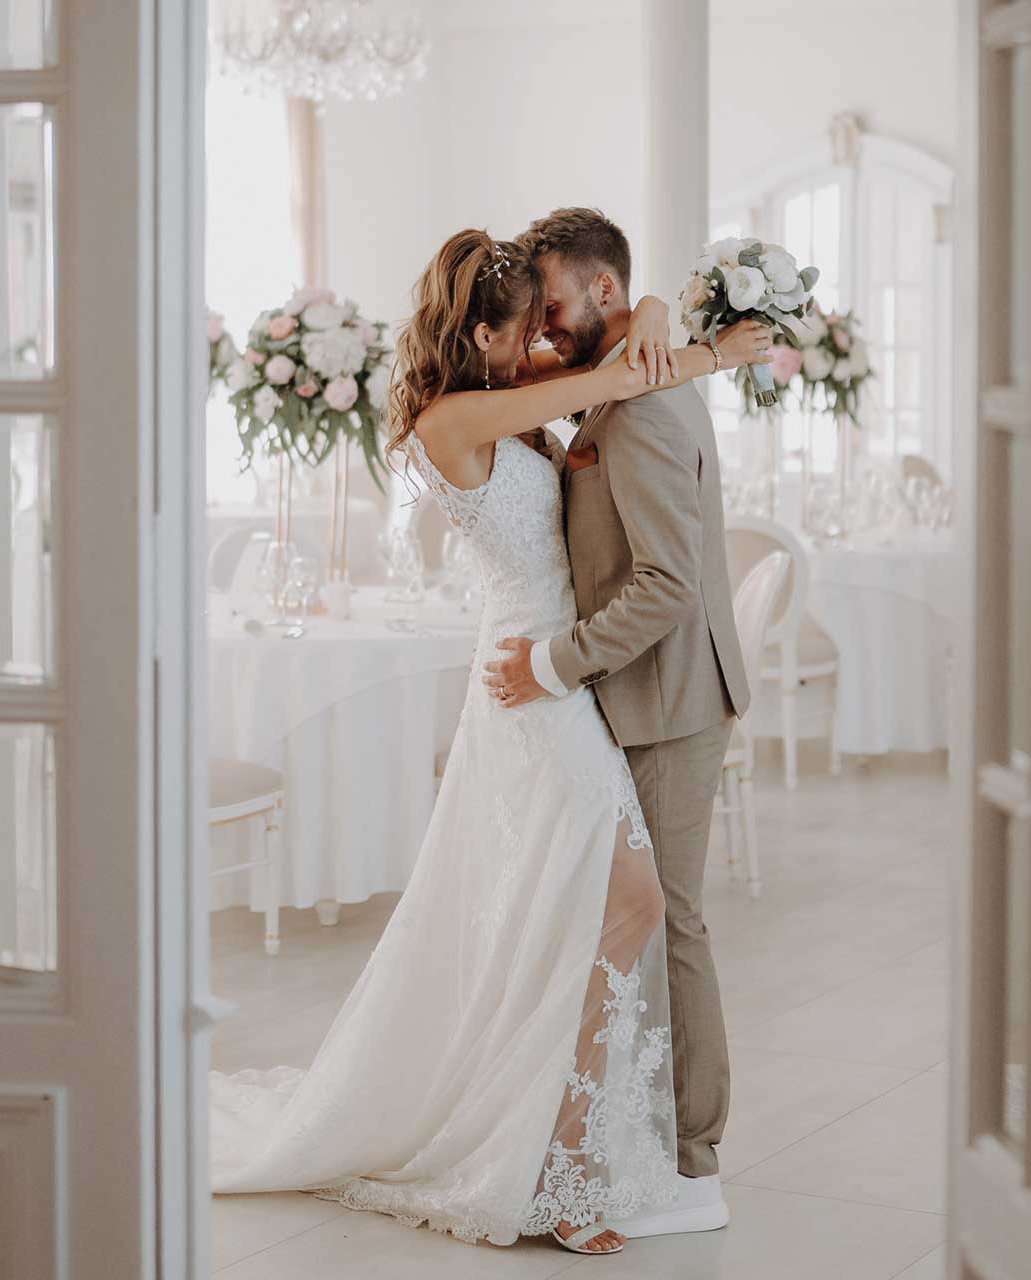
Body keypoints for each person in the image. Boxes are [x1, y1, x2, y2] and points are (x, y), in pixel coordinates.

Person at [209, 226, 776, 1255]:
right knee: (629, 902)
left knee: (590, 911)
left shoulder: (517, 395)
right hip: (529, 686)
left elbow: (611, 370)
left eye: (547, 325)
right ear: (481, 332)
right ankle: (558, 1173)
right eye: (527, 329)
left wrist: (662, 323)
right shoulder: (457, 416)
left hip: (556, 683)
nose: (543, 342)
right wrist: (695, 350)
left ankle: (567, 1151)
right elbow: (589, 385)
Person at [483, 207, 753, 1241]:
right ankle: (642, 1138)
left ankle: (695, 1159)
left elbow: (668, 585)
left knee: (670, 920)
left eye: (552, 302)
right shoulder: (629, 376)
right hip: (636, 698)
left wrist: (554, 662)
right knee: (638, 921)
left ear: (605, 292)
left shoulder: (639, 404)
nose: (543, 325)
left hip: (669, 697)